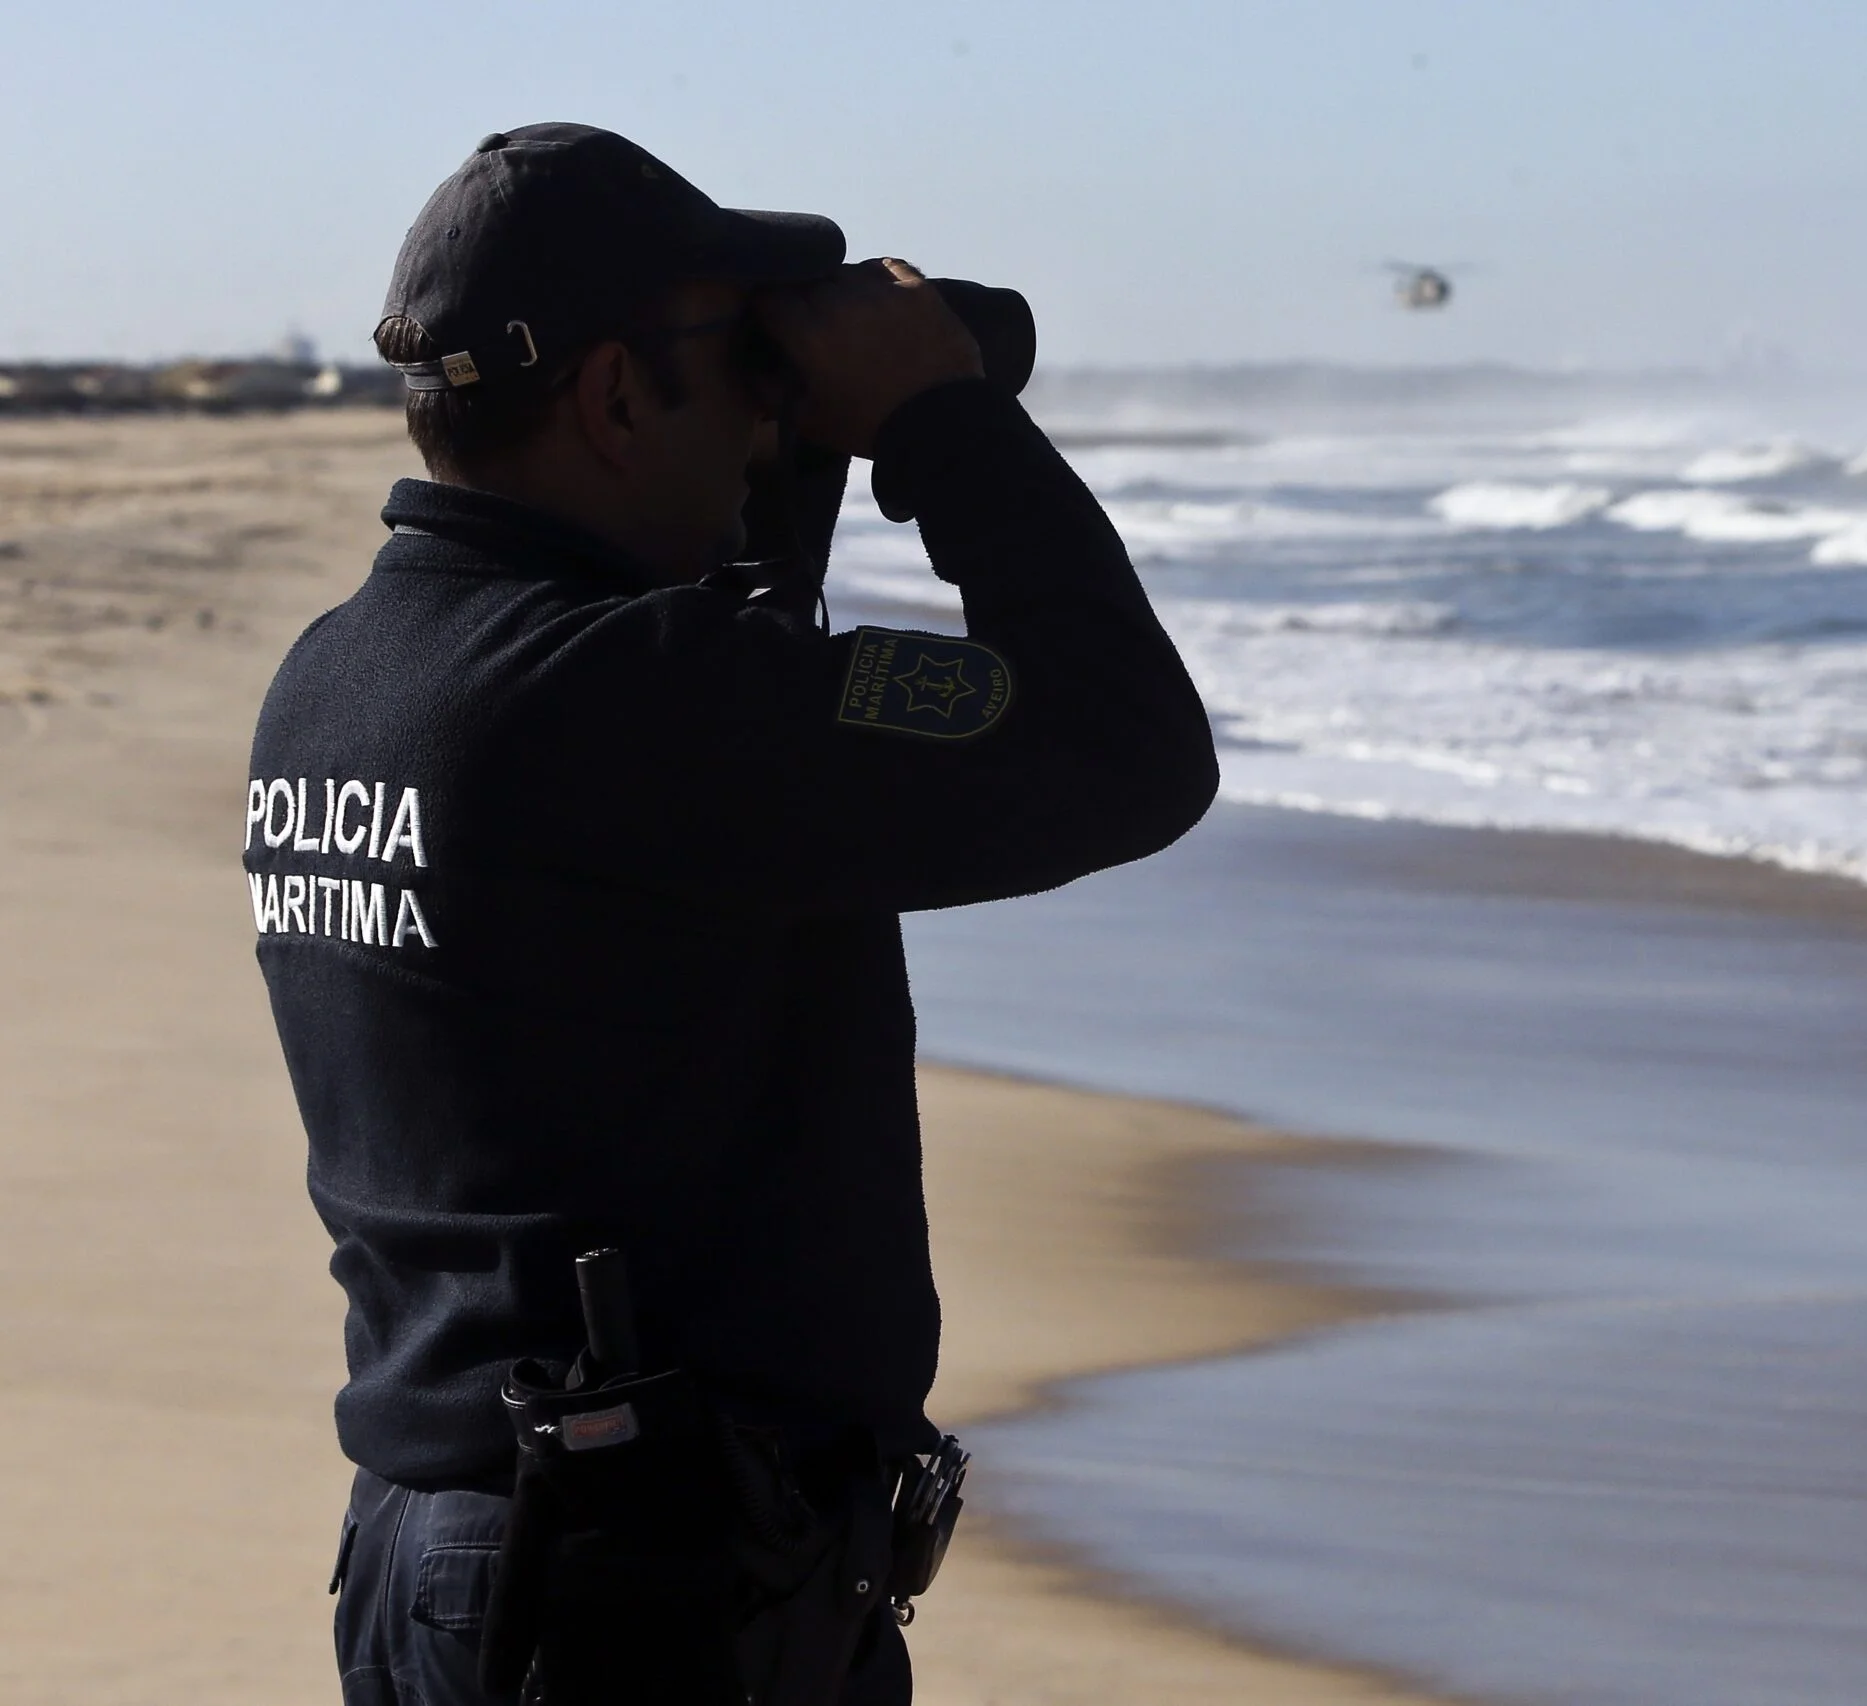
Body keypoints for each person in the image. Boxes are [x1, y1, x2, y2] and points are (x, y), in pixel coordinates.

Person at [242, 123, 1217, 1705]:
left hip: (456, 1545)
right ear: (618, 395)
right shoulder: (626, 703)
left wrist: (785, 459)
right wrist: (941, 423)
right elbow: (1128, 752)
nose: (772, 393)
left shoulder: (346, 680)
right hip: (646, 1598)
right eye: (737, 351)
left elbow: (764, 710)